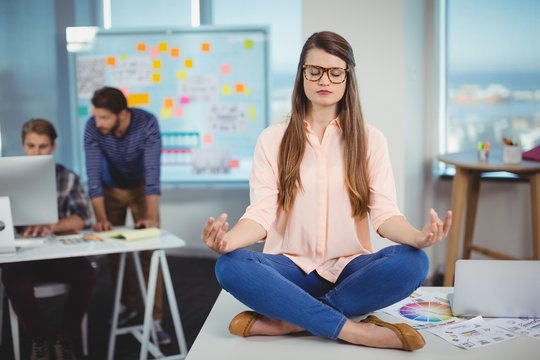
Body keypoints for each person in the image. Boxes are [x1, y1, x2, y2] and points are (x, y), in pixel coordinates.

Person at [201, 31, 452, 351]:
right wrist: (226, 242)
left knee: (413, 262)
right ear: (301, 74)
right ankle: (354, 331)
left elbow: (385, 213)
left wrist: (417, 237)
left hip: (350, 271)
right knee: (229, 265)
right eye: (314, 71)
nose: (325, 79)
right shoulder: (273, 138)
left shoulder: (370, 139)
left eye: (335, 72)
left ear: (348, 77)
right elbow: (261, 213)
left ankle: (290, 320)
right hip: (289, 269)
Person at [2, 119, 95, 360]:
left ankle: (64, 338)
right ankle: (39, 340)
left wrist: (51, 225)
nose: (36, 152)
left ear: (53, 146)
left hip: (57, 252)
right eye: (31, 146)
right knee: (11, 276)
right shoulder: (7, 177)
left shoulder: (68, 177)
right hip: (25, 254)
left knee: (86, 273)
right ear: (23, 146)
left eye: (42, 146)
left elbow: (83, 218)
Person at [83, 86, 170, 344]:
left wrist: (150, 217)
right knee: (115, 251)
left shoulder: (147, 124)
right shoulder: (92, 127)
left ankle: (154, 319)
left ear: (122, 114)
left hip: (141, 188)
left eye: (104, 117)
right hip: (110, 190)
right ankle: (129, 303)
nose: (98, 123)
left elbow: (153, 175)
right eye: (96, 116)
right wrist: (100, 218)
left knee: (149, 250)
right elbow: (94, 177)